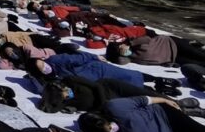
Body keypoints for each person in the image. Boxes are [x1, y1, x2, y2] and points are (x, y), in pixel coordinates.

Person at [78, 96, 205, 132]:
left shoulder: (115, 107)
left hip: (167, 118)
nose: (112, 130)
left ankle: (183, 107)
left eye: (109, 126)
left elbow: (144, 100)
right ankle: (188, 109)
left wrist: (165, 100)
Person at [26, 53, 181, 96]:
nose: (45, 68)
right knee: (127, 87)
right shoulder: (48, 78)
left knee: (129, 75)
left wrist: (94, 57)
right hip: (97, 81)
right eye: (41, 68)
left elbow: (79, 58)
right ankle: (160, 90)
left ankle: (160, 79)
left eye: (43, 64)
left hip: (96, 69)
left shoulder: (56, 60)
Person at [37, 75, 202, 115]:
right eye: (64, 98)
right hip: (112, 103)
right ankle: (186, 111)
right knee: (146, 108)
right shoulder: (65, 103)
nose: (67, 95)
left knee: (145, 94)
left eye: (64, 93)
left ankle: (177, 102)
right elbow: (52, 108)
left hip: (111, 88)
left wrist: (102, 103)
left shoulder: (70, 80)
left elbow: (96, 87)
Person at [106, 35, 205, 67]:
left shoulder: (133, 42)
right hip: (173, 58)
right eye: (119, 50)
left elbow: (147, 39)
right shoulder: (131, 57)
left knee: (199, 55)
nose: (122, 49)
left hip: (172, 43)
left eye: (120, 46)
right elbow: (121, 61)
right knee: (197, 64)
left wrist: (130, 44)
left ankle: (194, 44)